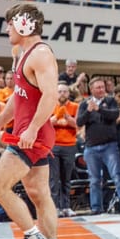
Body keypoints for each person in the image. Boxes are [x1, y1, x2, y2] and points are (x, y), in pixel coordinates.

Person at [0, 3, 61, 239]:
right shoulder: (22, 53)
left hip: (32, 135)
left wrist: (31, 129)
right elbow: (18, 99)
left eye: (10, 24)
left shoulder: (40, 54)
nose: (7, 30)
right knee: (39, 193)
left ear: (24, 24)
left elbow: (51, 96)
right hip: (29, 131)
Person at [76, 77, 120, 215]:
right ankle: (96, 208)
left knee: (117, 175)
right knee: (94, 179)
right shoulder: (85, 104)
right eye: (98, 87)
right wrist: (89, 111)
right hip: (91, 147)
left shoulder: (110, 101)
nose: (101, 90)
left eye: (102, 87)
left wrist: (99, 109)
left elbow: (114, 115)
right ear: (92, 89)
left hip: (109, 146)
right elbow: (79, 121)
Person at [49, 83, 79, 218]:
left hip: (69, 145)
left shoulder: (75, 106)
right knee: (54, 179)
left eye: (65, 91)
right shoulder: (49, 105)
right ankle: (54, 207)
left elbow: (77, 124)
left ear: (68, 93)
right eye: (59, 91)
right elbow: (46, 123)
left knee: (66, 178)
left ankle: (66, 207)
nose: (62, 94)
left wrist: (66, 116)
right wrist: (56, 118)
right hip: (53, 145)